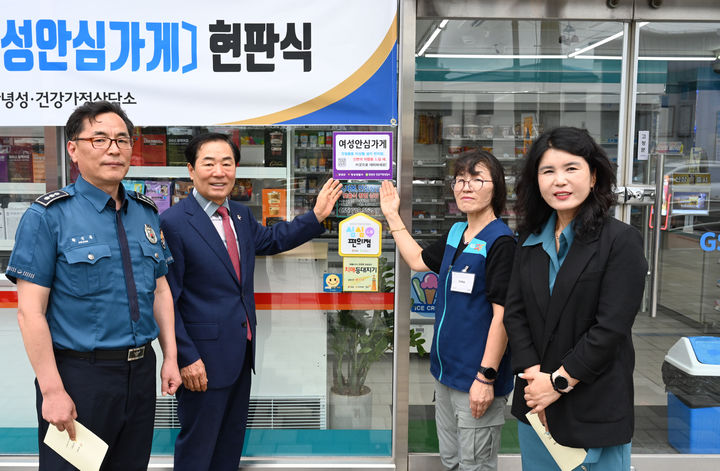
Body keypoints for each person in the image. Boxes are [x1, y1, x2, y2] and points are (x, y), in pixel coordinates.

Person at [6, 101, 182, 470]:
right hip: (80, 376)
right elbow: (30, 313)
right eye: (99, 139)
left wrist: (171, 357)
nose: (114, 148)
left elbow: (161, 290)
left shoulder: (147, 213)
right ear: (73, 148)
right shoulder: (48, 216)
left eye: (122, 139)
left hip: (139, 373)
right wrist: (52, 391)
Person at [160, 132, 342, 471]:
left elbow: (272, 240)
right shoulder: (173, 223)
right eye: (209, 163)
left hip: (240, 351)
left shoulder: (240, 216)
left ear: (236, 169)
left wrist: (315, 217)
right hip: (201, 358)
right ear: (191, 170)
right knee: (198, 446)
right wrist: (185, 357)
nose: (219, 171)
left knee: (229, 443)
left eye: (227, 163)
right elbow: (168, 296)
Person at [503, 127, 648, 470]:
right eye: (548, 171)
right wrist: (535, 377)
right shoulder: (529, 238)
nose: (559, 181)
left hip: (593, 406)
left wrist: (557, 383)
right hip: (536, 405)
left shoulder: (620, 241)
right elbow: (515, 311)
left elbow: (610, 329)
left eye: (571, 168)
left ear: (594, 175)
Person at [380, 150, 516, 471]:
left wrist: (486, 377)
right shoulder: (458, 233)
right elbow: (417, 261)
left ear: (495, 187)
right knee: (452, 460)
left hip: (477, 379)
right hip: (444, 375)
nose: (466, 187)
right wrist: (392, 215)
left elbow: (504, 316)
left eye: (477, 180)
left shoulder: (502, 243)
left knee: (475, 465)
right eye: (460, 180)